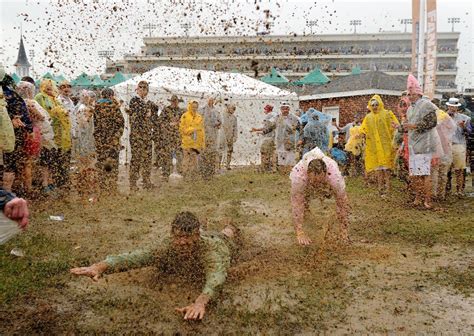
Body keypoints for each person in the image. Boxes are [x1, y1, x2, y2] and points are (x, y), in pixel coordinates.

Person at [70, 212, 238, 321]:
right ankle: (206, 223)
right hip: (201, 236)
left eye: (188, 237)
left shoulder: (211, 251)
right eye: (178, 236)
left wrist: (200, 302)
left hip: (220, 242)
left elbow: (216, 277)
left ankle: (230, 226)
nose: (182, 242)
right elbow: (136, 257)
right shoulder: (167, 246)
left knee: (225, 234)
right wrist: (100, 267)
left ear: (196, 235)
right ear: (172, 235)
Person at [290, 147, 350, 245]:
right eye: (314, 181)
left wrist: (344, 230)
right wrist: (299, 232)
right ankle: (306, 217)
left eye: (319, 181)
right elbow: (297, 204)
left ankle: (342, 229)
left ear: (325, 174)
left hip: (328, 173)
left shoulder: (334, 177)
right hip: (304, 176)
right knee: (302, 201)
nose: (317, 185)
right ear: (308, 174)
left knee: (339, 196)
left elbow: (343, 202)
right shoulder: (298, 177)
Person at [16, 81, 56, 195]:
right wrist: (44, 117)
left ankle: (26, 186)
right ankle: (29, 188)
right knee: (32, 161)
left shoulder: (20, 102)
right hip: (39, 133)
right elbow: (40, 116)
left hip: (35, 132)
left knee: (28, 161)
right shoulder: (29, 102)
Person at [404, 74, 438, 208]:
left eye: (411, 93)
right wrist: (401, 127)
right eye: (408, 94)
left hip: (424, 144)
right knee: (416, 175)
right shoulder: (410, 108)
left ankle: (427, 200)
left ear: (417, 93)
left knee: (424, 174)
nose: (409, 96)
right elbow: (409, 126)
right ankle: (418, 198)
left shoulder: (426, 104)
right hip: (413, 144)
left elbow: (432, 122)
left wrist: (414, 126)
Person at [35, 79, 72, 191]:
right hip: (46, 131)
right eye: (47, 86)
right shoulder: (40, 97)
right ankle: (44, 184)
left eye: (51, 86)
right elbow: (39, 112)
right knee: (46, 159)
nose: (50, 88)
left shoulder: (55, 98)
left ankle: (51, 181)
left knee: (53, 158)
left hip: (58, 132)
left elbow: (62, 112)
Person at [360, 95, 399, 196]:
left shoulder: (387, 114)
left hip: (386, 146)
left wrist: (395, 141)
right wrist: (361, 134)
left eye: (376, 104)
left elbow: (395, 126)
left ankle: (388, 188)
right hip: (374, 147)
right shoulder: (368, 117)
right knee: (378, 169)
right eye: (372, 105)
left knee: (386, 169)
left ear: (380, 104)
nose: (375, 107)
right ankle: (380, 188)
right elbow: (363, 128)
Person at [1, 74, 33, 193]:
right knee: (10, 164)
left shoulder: (10, 95)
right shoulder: (11, 95)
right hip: (10, 135)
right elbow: (24, 115)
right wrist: (29, 129)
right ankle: (7, 195)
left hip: (11, 133)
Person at [127, 81, 157, 191]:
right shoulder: (134, 100)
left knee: (147, 159)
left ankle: (146, 181)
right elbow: (139, 115)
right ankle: (133, 182)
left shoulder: (147, 102)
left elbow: (154, 113)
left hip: (147, 134)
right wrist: (147, 112)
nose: (144, 90)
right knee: (136, 159)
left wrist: (150, 112)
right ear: (137, 89)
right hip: (137, 135)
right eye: (141, 88)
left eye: (146, 88)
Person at [94, 88, 125, 193]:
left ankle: (102, 187)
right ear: (112, 96)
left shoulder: (96, 107)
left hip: (101, 141)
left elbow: (95, 125)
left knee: (102, 162)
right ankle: (112, 187)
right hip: (112, 141)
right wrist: (116, 137)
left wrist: (98, 138)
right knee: (113, 163)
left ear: (102, 96)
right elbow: (121, 124)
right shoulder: (115, 107)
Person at [446, 97, 472, 196]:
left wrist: (464, 127)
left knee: (459, 168)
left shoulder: (465, 118)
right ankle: (446, 189)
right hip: (446, 145)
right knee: (445, 169)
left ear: (458, 108)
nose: (452, 108)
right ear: (448, 106)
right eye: (451, 106)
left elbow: (469, 133)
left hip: (458, 144)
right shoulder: (443, 116)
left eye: (455, 107)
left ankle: (459, 190)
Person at [154, 95, 184, 180]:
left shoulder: (181, 111)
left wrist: (179, 123)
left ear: (178, 102)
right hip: (168, 136)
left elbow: (184, 122)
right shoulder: (166, 110)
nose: (174, 102)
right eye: (173, 101)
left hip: (178, 136)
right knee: (166, 155)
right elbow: (160, 122)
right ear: (171, 101)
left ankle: (180, 172)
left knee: (179, 154)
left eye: (176, 101)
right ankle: (165, 173)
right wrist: (169, 124)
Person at [431, 107, 456, 200]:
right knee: (442, 173)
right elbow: (453, 129)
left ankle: (434, 194)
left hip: (436, 148)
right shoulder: (445, 116)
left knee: (434, 172)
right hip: (446, 148)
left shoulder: (433, 116)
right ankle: (440, 194)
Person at [179, 101, 205, 179]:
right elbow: (181, 129)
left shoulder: (199, 117)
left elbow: (202, 131)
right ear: (190, 106)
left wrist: (202, 144)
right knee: (186, 159)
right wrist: (192, 130)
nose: (194, 108)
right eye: (193, 106)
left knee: (194, 160)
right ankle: (185, 175)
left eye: (196, 107)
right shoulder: (185, 116)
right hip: (187, 142)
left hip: (196, 143)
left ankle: (192, 176)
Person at [250, 104, 277, 172]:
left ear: (267, 109)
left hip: (269, 137)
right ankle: (268, 167)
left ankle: (265, 168)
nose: (264, 110)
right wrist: (256, 129)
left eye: (265, 109)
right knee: (269, 152)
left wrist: (262, 132)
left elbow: (270, 127)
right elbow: (266, 127)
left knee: (265, 152)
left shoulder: (270, 115)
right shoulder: (273, 115)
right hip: (271, 137)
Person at [200, 97, 221, 179]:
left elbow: (220, 122)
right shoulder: (202, 110)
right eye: (209, 100)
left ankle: (211, 172)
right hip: (204, 135)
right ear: (207, 100)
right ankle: (203, 172)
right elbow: (199, 120)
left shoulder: (216, 111)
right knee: (204, 153)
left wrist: (218, 124)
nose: (211, 101)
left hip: (213, 135)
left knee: (212, 153)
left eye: (212, 100)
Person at [275, 102, 299, 173]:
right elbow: (271, 126)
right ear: (280, 109)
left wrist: (300, 138)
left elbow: (299, 128)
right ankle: (283, 172)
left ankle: (290, 173)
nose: (285, 110)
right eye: (283, 109)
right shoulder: (277, 117)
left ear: (289, 109)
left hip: (289, 141)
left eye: (286, 109)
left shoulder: (294, 118)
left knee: (290, 157)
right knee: (281, 157)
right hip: (280, 141)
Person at [57, 81, 77, 159]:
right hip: (62, 129)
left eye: (68, 87)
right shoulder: (58, 100)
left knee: (68, 151)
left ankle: (66, 169)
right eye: (63, 87)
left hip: (70, 129)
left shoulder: (70, 100)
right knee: (62, 151)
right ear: (60, 89)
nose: (66, 89)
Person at [220, 104, 238, 170]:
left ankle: (227, 165)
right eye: (231, 109)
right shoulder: (223, 115)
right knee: (220, 150)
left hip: (230, 136)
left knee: (229, 151)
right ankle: (219, 165)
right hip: (223, 135)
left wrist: (235, 136)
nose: (232, 110)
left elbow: (235, 128)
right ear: (228, 108)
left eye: (233, 109)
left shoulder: (234, 118)